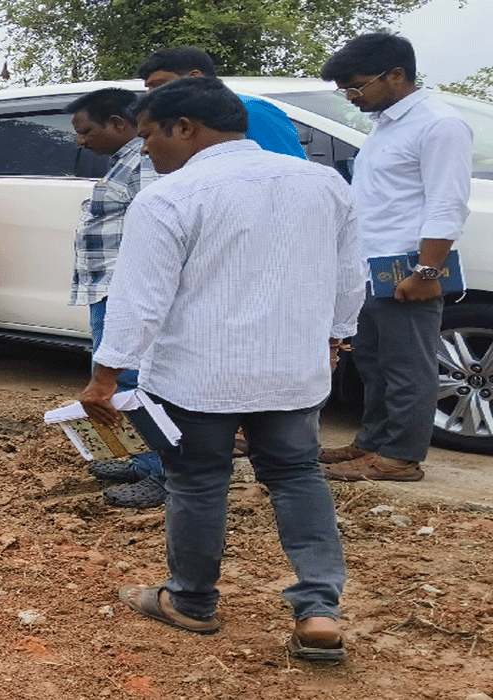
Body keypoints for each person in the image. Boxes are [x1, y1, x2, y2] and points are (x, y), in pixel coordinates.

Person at [80, 77, 365, 660]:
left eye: (148, 137)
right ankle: (318, 610)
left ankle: (191, 601)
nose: (145, 151)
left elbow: (141, 300)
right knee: (296, 477)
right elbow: (347, 274)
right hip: (292, 371)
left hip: (198, 374)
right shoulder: (324, 184)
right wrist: (336, 338)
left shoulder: (170, 197)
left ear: (184, 128)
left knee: (196, 482)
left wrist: (106, 376)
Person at [111, 46, 311, 509]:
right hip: (193, 264)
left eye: (161, 88)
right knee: (284, 467)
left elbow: (281, 196)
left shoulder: (254, 117)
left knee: (206, 466)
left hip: (242, 288)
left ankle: (187, 565)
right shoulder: (173, 178)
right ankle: (159, 466)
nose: (154, 100)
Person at [318, 34, 472, 482]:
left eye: (356, 86)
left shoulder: (438, 124)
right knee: (373, 360)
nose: (350, 95)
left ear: (397, 75)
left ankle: (401, 456)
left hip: (407, 266)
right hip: (369, 265)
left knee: (408, 365)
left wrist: (426, 270)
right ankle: (371, 442)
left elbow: (447, 203)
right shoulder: (387, 123)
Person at [62, 88, 163, 506]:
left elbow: (158, 228)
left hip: (126, 289)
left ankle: (162, 473)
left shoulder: (144, 162)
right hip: (107, 288)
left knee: (137, 381)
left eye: (86, 132)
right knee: (121, 382)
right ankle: (140, 460)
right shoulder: (125, 162)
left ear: (118, 124)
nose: (81, 142)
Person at [137, 47, 307, 158]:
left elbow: (290, 171)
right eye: (148, 88)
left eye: (158, 85)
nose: (151, 95)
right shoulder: (173, 124)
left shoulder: (250, 110)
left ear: (194, 77)